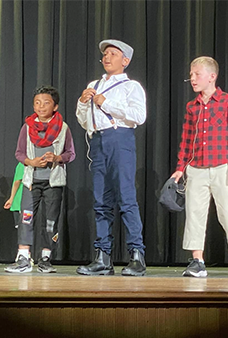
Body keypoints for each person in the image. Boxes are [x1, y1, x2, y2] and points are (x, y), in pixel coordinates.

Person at [171, 56, 228, 277]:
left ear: (212, 76)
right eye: (191, 74)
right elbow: (186, 139)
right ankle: (197, 260)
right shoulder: (192, 107)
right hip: (196, 168)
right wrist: (180, 167)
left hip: (222, 167)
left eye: (197, 74)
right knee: (195, 214)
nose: (192, 78)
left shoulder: (227, 101)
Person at [75, 39, 146, 276]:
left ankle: (137, 255)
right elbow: (85, 122)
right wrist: (83, 103)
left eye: (113, 54)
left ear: (125, 61)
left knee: (126, 197)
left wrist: (107, 102)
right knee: (101, 201)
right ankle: (103, 256)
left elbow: (139, 116)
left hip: (120, 139)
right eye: (105, 54)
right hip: (98, 141)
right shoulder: (94, 84)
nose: (107, 57)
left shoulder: (131, 86)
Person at [5, 86, 75, 273]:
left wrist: (57, 158)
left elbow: (71, 153)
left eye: (46, 103)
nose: (41, 106)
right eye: (37, 103)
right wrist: (31, 161)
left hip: (53, 182)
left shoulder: (63, 128)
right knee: (26, 218)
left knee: (50, 220)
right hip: (31, 181)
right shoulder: (27, 127)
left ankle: (45, 258)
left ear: (55, 106)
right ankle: (24, 258)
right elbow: (19, 153)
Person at [3, 162, 25, 228]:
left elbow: (17, 181)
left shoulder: (23, 164)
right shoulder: (23, 164)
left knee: (23, 229)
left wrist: (11, 198)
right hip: (20, 203)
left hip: (20, 203)